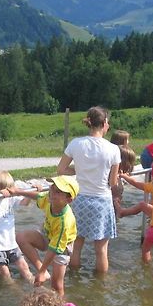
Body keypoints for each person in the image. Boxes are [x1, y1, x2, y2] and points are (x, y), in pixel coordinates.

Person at [57, 106, 121, 273]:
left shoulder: (76, 143)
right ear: (105, 123)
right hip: (101, 201)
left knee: (76, 246)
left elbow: (61, 170)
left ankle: (74, 277)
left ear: (89, 122)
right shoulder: (113, 149)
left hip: (79, 199)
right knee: (101, 250)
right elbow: (113, 182)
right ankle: (101, 287)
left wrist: (80, 170)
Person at [4, 176, 79, 296]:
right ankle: (42, 271)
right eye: (52, 188)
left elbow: (54, 249)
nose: (52, 193)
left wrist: (44, 269)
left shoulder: (64, 221)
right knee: (21, 237)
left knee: (57, 285)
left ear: (69, 200)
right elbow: (38, 196)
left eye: (58, 192)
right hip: (47, 233)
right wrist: (17, 192)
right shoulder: (50, 199)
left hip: (62, 247)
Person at [0, 170, 36, 283]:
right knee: (4, 271)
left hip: (10, 241)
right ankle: (13, 290)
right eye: (4, 189)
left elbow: (24, 203)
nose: (8, 193)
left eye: (9, 189)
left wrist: (33, 192)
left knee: (23, 266)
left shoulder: (10, 198)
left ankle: (36, 285)